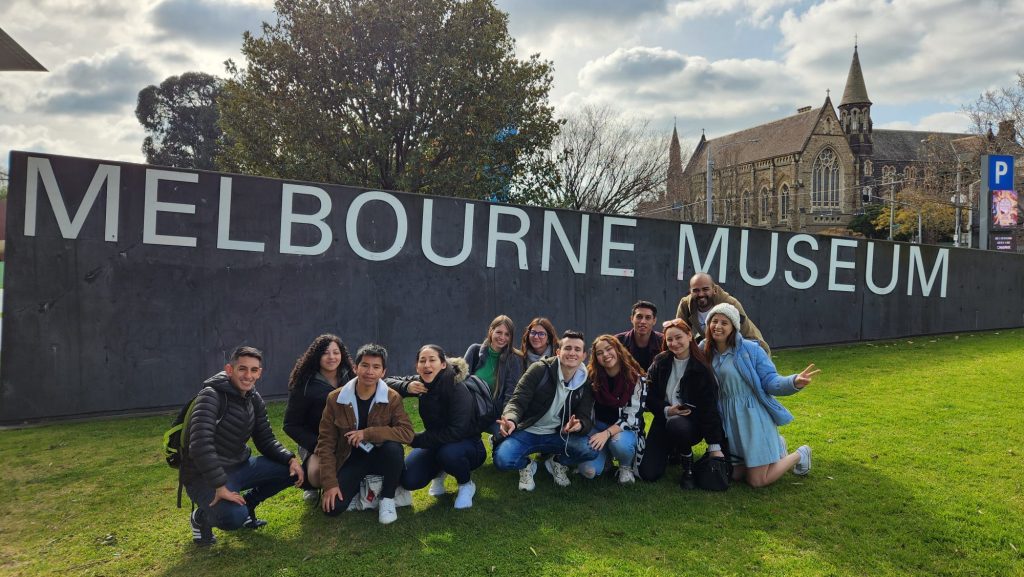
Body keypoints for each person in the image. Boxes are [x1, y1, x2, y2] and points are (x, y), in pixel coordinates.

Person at [182, 346, 304, 546]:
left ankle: (249, 505)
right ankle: (201, 517)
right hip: (203, 477)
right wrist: (219, 485)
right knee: (233, 517)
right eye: (242, 369)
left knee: (292, 471)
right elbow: (199, 445)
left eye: (254, 370)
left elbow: (265, 439)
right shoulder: (210, 396)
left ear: (259, 372)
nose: (248, 375)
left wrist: (289, 459)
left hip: (239, 467)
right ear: (229, 370)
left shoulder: (253, 397)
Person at [703, 303, 819, 488]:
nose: (718, 326)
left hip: (752, 416)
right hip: (727, 416)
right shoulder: (704, 350)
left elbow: (770, 380)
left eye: (724, 322)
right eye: (714, 321)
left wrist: (793, 381)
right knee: (735, 475)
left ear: (733, 327)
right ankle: (777, 447)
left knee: (757, 481)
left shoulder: (750, 349)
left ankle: (800, 454)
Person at [315, 344, 414, 523]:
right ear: (355, 368)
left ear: (383, 372)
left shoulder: (392, 397)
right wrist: (330, 483)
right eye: (365, 365)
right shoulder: (335, 398)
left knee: (394, 448)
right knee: (333, 508)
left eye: (376, 367)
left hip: (381, 457)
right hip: (351, 458)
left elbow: (407, 433)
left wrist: (367, 434)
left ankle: (387, 498)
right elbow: (325, 443)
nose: (370, 372)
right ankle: (361, 491)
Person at [493, 330, 598, 489]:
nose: (572, 353)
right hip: (527, 431)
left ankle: (557, 462)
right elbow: (518, 400)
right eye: (567, 348)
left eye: (577, 349)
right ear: (558, 352)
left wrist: (579, 425)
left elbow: (585, 416)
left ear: (584, 356)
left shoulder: (586, 381)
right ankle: (527, 465)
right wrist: (511, 419)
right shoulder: (539, 369)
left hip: (558, 435)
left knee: (590, 450)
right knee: (503, 460)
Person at [387, 345, 486, 509]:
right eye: (422, 361)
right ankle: (440, 471)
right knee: (409, 479)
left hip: (468, 446)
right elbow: (386, 382)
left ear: (443, 364)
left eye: (432, 360)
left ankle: (466, 484)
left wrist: (415, 440)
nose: (427, 365)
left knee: (448, 454)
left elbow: (456, 432)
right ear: (417, 366)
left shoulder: (456, 388)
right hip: (436, 442)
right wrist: (406, 386)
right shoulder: (421, 382)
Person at [638, 318, 725, 488]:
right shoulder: (660, 361)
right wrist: (666, 410)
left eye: (679, 337)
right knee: (648, 474)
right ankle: (673, 450)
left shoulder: (702, 368)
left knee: (677, 424)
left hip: (689, 424)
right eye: (669, 339)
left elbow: (709, 408)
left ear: (689, 336)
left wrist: (714, 446)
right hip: (664, 418)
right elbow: (648, 394)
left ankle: (688, 466)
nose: (674, 343)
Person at [282, 334, 356, 503]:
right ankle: (310, 484)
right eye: (325, 353)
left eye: (336, 352)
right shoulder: (304, 384)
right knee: (318, 474)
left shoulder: (352, 377)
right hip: (317, 441)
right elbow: (290, 424)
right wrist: (316, 445)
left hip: (347, 438)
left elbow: (380, 384)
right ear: (316, 356)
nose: (332, 357)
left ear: (342, 354)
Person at [577, 335, 647, 485]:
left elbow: (631, 419)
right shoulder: (592, 377)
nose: (605, 355)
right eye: (600, 353)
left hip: (623, 431)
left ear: (618, 350)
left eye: (609, 349)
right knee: (588, 471)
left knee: (619, 444)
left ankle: (625, 466)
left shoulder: (636, 379)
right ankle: (606, 460)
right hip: (597, 427)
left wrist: (606, 434)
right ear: (596, 358)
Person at [676, 273, 771, 355]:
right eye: (696, 290)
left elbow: (743, 333)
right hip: (716, 346)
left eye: (705, 289)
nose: (701, 294)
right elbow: (677, 333)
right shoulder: (685, 305)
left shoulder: (730, 304)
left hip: (749, 346)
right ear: (690, 291)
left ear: (714, 290)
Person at [615, 300, 664, 372]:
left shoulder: (663, 341)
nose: (643, 321)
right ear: (632, 319)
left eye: (648, 317)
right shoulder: (618, 342)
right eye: (639, 317)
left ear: (654, 321)